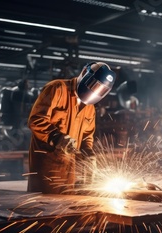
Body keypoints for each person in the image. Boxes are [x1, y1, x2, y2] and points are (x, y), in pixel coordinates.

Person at [27, 62, 116, 194]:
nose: (95, 91)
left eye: (100, 89)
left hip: (71, 172)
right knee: (44, 210)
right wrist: (56, 138)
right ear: (85, 73)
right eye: (94, 85)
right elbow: (36, 119)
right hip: (47, 170)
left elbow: (87, 136)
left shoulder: (90, 108)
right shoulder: (57, 89)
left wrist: (88, 154)